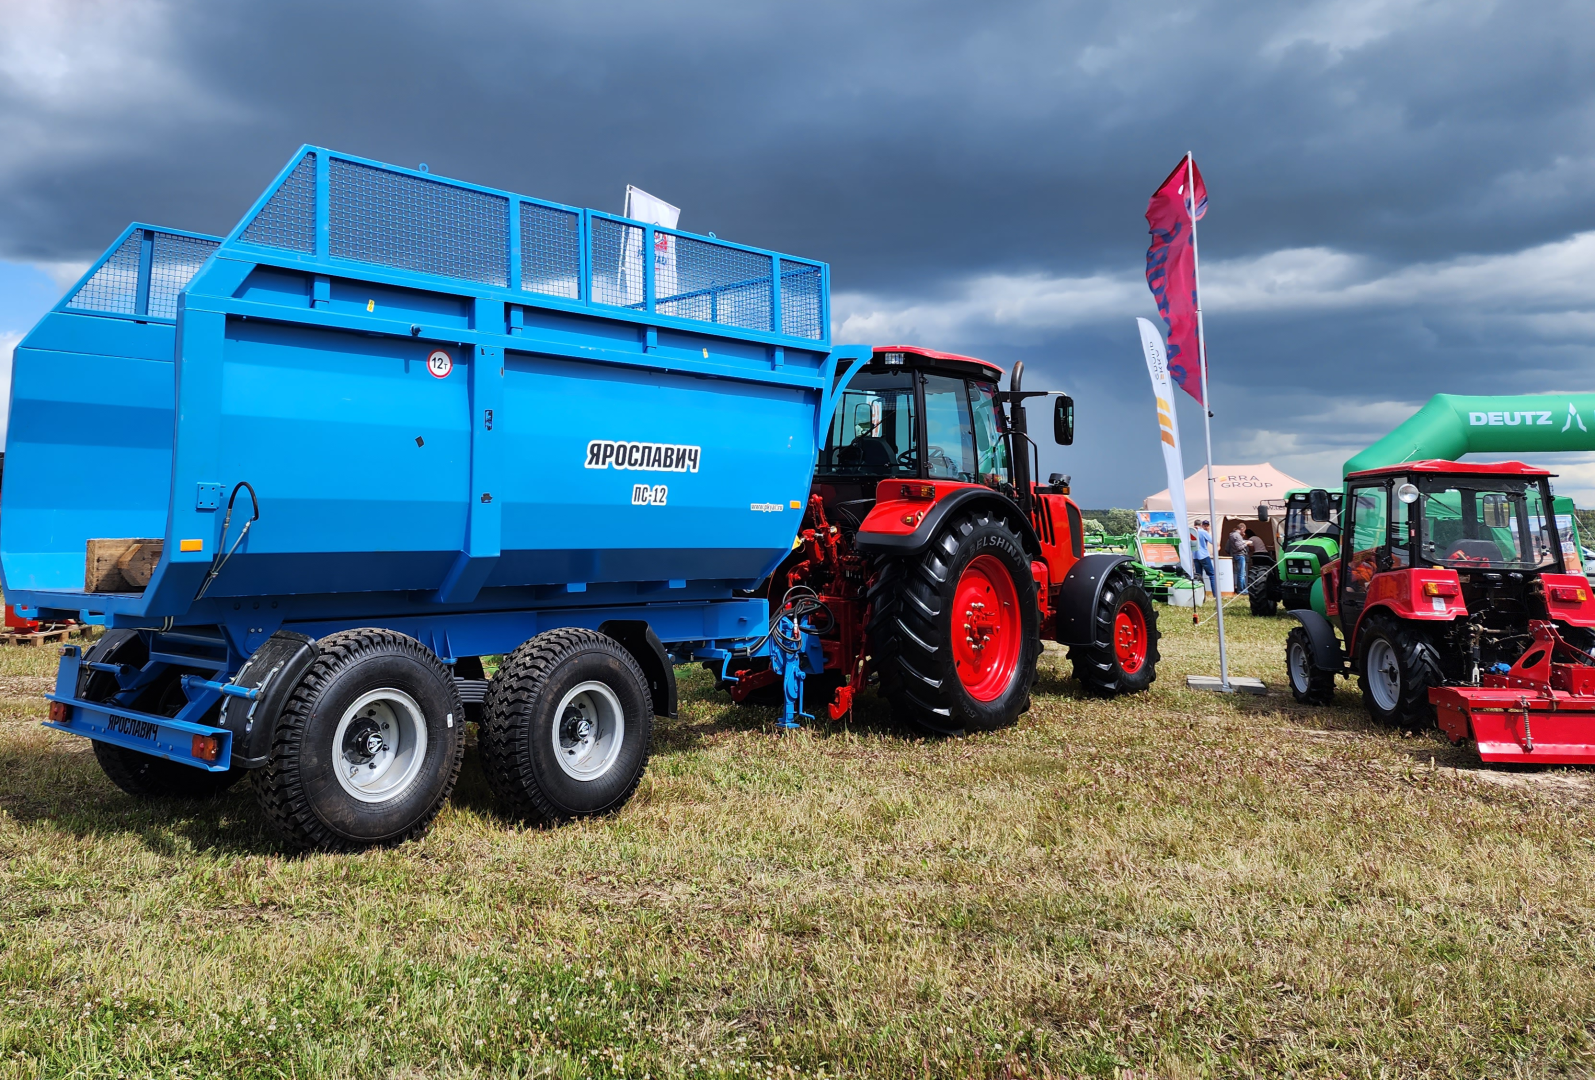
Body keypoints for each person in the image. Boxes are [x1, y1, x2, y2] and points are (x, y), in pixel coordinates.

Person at [1192, 519, 1216, 597]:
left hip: (1195, 556)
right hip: (1204, 555)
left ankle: (1201, 595)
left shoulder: (1191, 532)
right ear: (1201, 525)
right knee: (1212, 575)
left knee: (1199, 576)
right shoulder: (1203, 532)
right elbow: (1213, 541)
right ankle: (1215, 595)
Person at [1226, 522, 1250, 592]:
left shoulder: (1231, 535)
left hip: (1234, 555)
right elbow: (1239, 547)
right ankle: (1242, 590)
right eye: (1244, 530)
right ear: (1242, 528)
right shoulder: (1237, 536)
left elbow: (1227, 548)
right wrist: (1246, 543)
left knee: (1238, 573)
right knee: (1241, 574)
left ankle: (1240, 588)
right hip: (1240, 555)